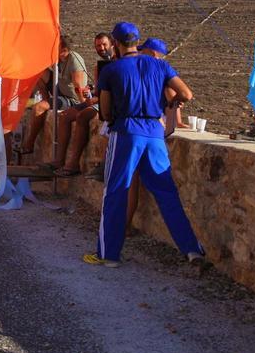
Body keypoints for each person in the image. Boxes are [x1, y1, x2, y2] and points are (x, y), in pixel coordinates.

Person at [84, 22, 204, 267]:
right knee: (167, 193)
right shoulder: (161, 65)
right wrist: (172, 104)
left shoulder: (112, 69)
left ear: (116, 43)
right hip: (154, 133)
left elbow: (105, 111)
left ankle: (108, 255)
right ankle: (192, 250)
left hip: (126, 132)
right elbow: (187, 94)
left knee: (116, 191)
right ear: (137, 41)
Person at [20, 34, 89, 156]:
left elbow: (78, 86)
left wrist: (84, 106)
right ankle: (46, 100)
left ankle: (29, 144)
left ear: (63, 50)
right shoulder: (59, 59)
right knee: (39, 72)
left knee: (38, 108)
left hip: (71, 98)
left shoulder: (74, 60)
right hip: (60, 89)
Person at [55, 32, 112, 176]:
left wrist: (92, 99)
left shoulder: (119, 63)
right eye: (98, 45)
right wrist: (90, 93)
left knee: (83, 116)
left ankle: (73, 163)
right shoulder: (99, 67)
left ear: (112, 43)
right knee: (65, 116)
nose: (101, 48)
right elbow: (98, 91)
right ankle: (58, 161)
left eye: (104, 44)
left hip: (110, 104)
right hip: (97, 100)